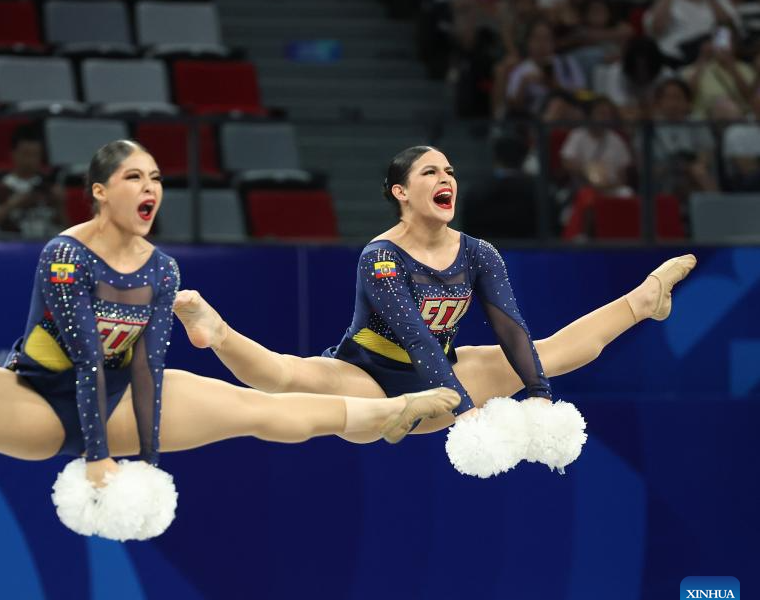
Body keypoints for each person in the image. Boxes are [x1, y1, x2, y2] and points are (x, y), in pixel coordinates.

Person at [0, 141, 461, 490]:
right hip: (36, 395)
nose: (151, 187)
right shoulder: (66, 256)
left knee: (259, 410)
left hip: (121, 399)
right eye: (133, 177)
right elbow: (85, 357)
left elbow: (143, 366)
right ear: (99, 192)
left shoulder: (162, 269)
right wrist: (95, 458)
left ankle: (380, 414)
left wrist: (142, 461)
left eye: (156, 178)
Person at [172, 145, 696, 444]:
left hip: (444, 371)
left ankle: (643, 301)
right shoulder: (381, 256)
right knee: (285, 378)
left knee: (550, 353)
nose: (446, 178)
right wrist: (464, 410)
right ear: (401, 192)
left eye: (449, 171)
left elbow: (510, 328)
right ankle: (218, 332)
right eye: (430, 172)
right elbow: (414, 336)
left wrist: (538, 395)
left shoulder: (479, 253)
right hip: (370, 377)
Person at [0, 123, 67, 239]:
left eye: (35, 155)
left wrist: (60, 206)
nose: (30, 160)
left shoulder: (48, 187)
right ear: (13, 154)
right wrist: (11, 205)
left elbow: (68, 232)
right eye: (26, 154)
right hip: (11, 245)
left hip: (45, 244)